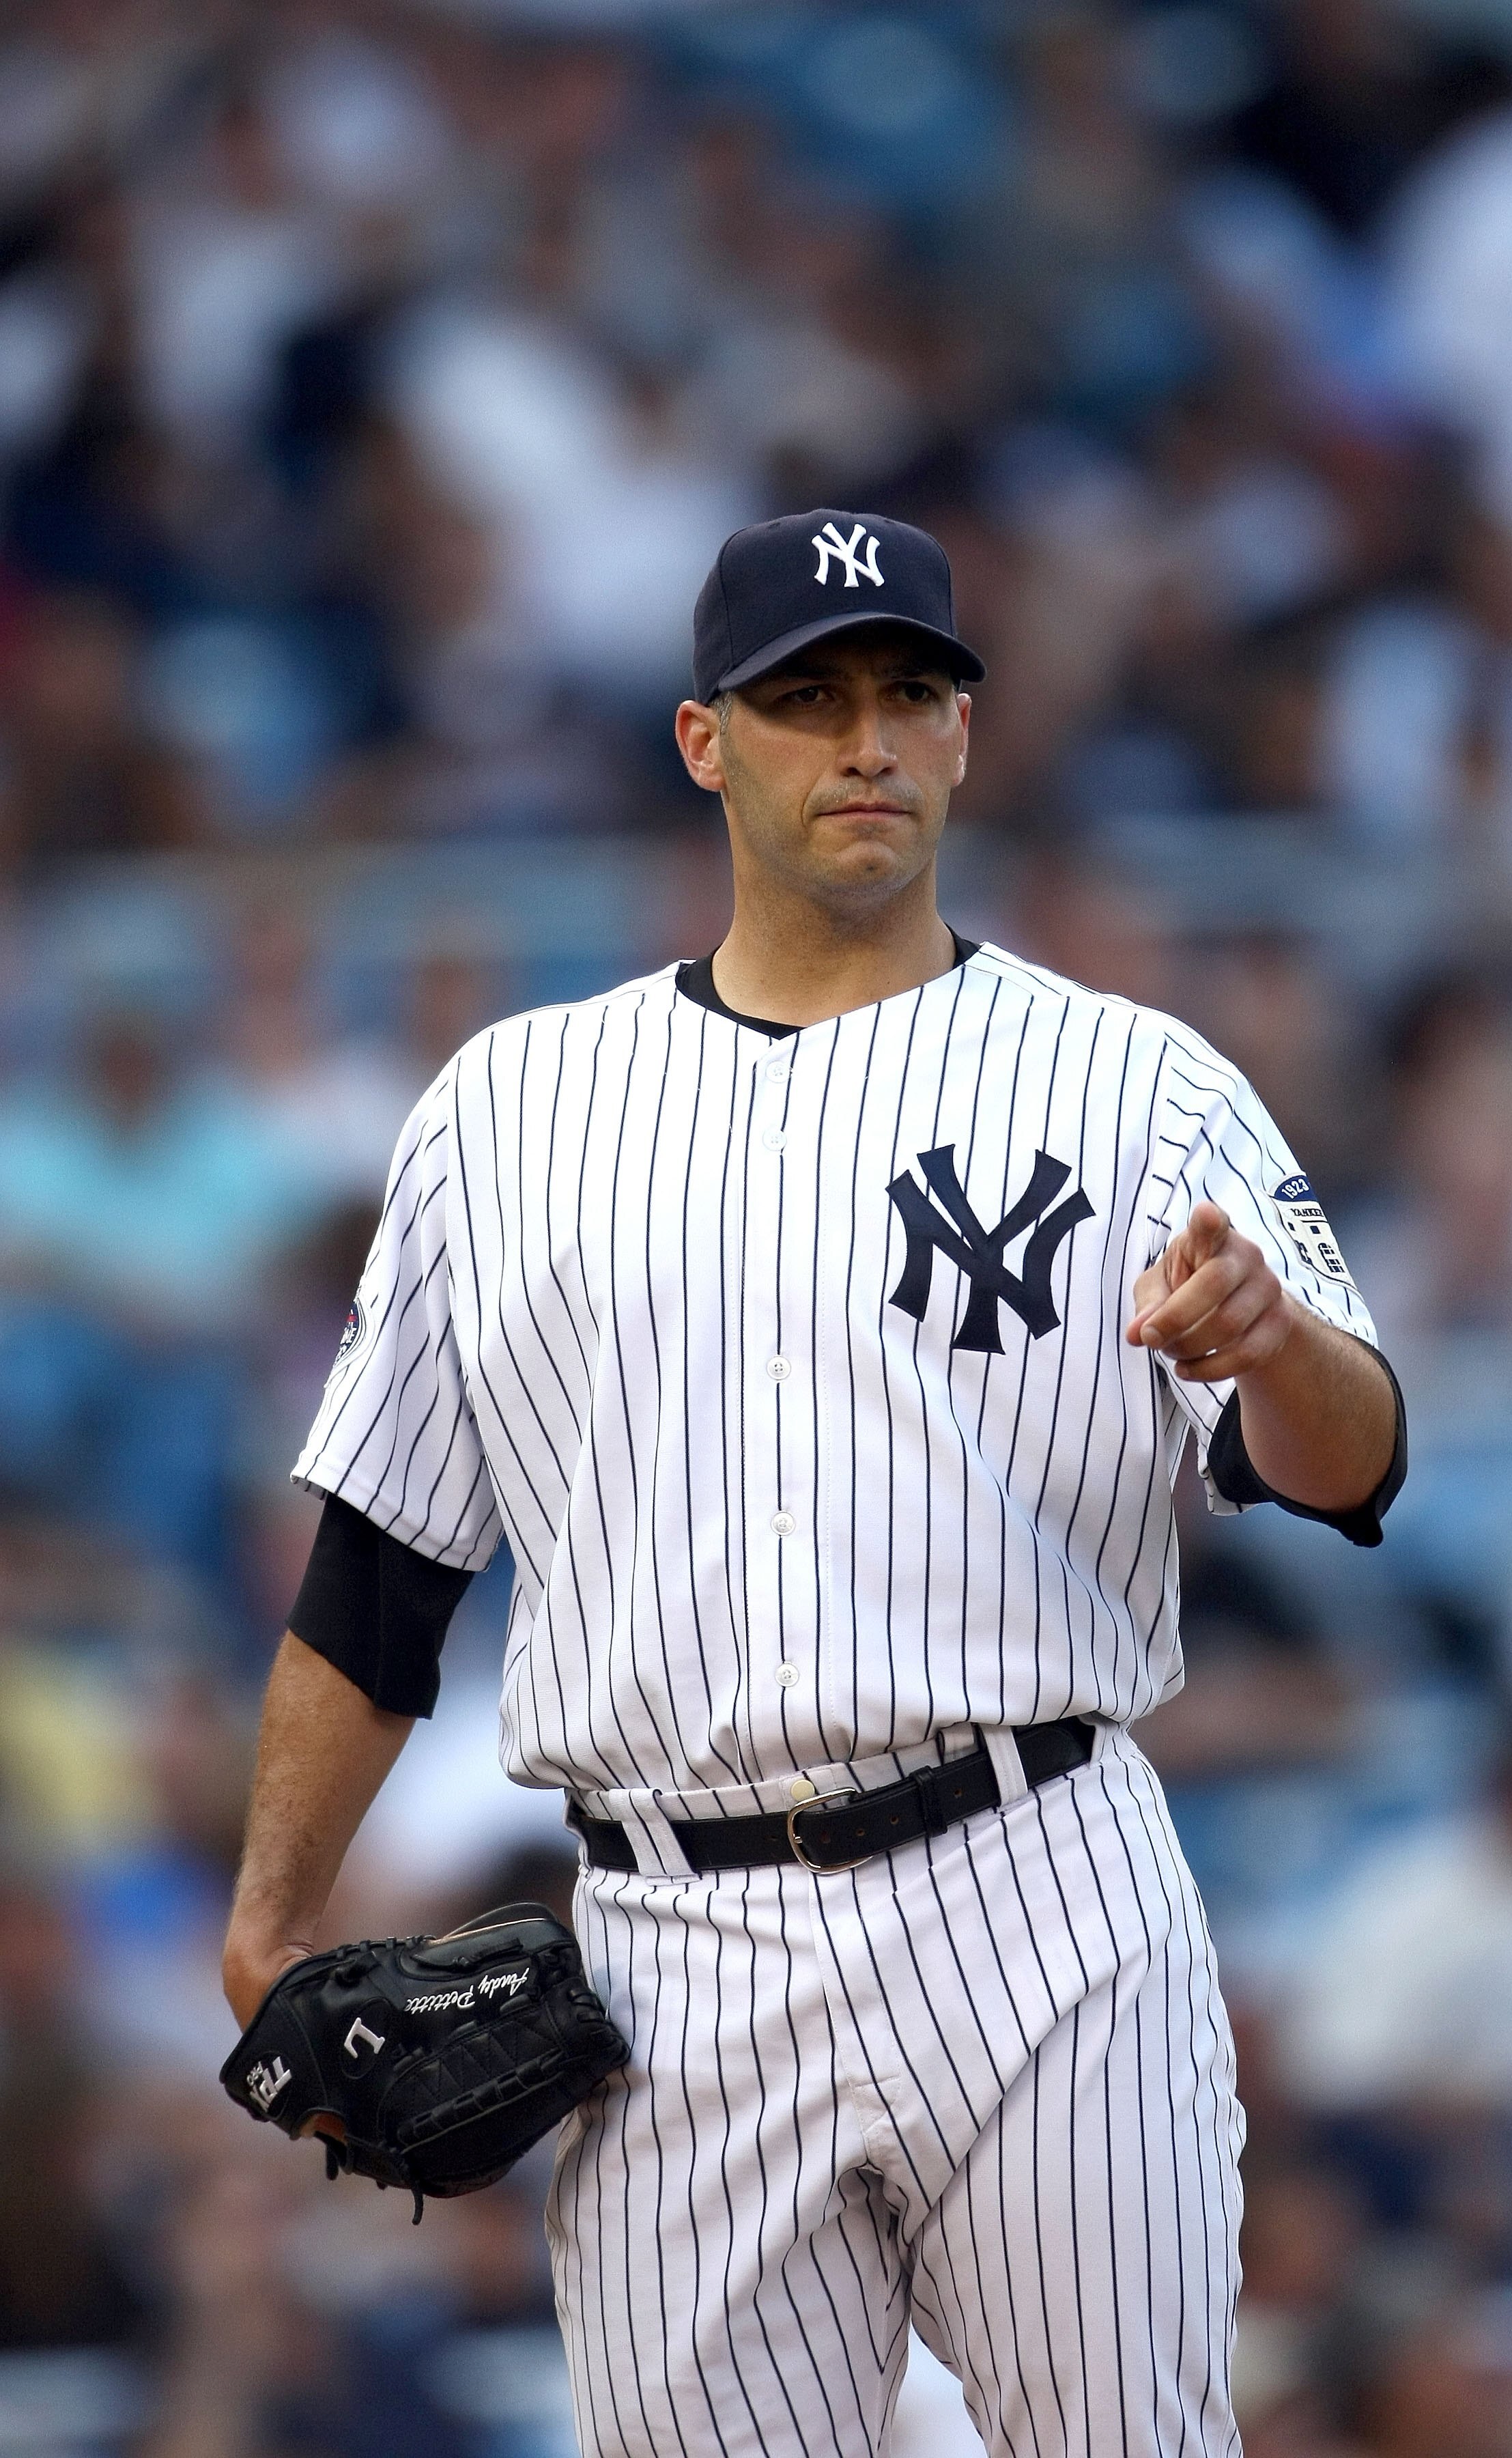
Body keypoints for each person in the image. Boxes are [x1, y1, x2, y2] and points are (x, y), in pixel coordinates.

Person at [221, 508, 1403, 2458]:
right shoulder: (512, 1113)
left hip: (1039, 1894)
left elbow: (1359, 1469)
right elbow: (379, 1568)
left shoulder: (1134, 1081)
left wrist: (1278, 1349)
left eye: (907, 693)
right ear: (706, 743)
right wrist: (268, 1920)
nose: (865, 740)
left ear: (962, 735)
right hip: (667, 1940)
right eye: (807, 699)